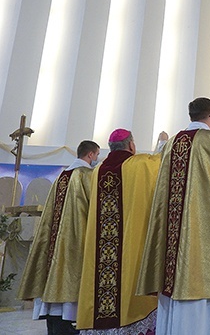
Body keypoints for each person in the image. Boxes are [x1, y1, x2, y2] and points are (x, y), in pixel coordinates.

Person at [137, 97, 210, 335]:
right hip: (205, 230)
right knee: (207, 284)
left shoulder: (171, 144)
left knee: (174, 288)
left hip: (171, 239)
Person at [76, 129, 167, 334]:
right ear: (131, 145)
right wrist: (162, 143)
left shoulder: (98, 171)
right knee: (128, 279)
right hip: (128, 242)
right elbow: (161, 164)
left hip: (103, 249)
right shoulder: (139, 164)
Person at [17, 140, 100, 335]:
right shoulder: (86, 176)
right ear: (90, 155)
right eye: (96, 155)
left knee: (54, 310)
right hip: (74, 243)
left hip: (54, 244)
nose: (97, 159)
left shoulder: (61, 176)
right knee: (69, 300)